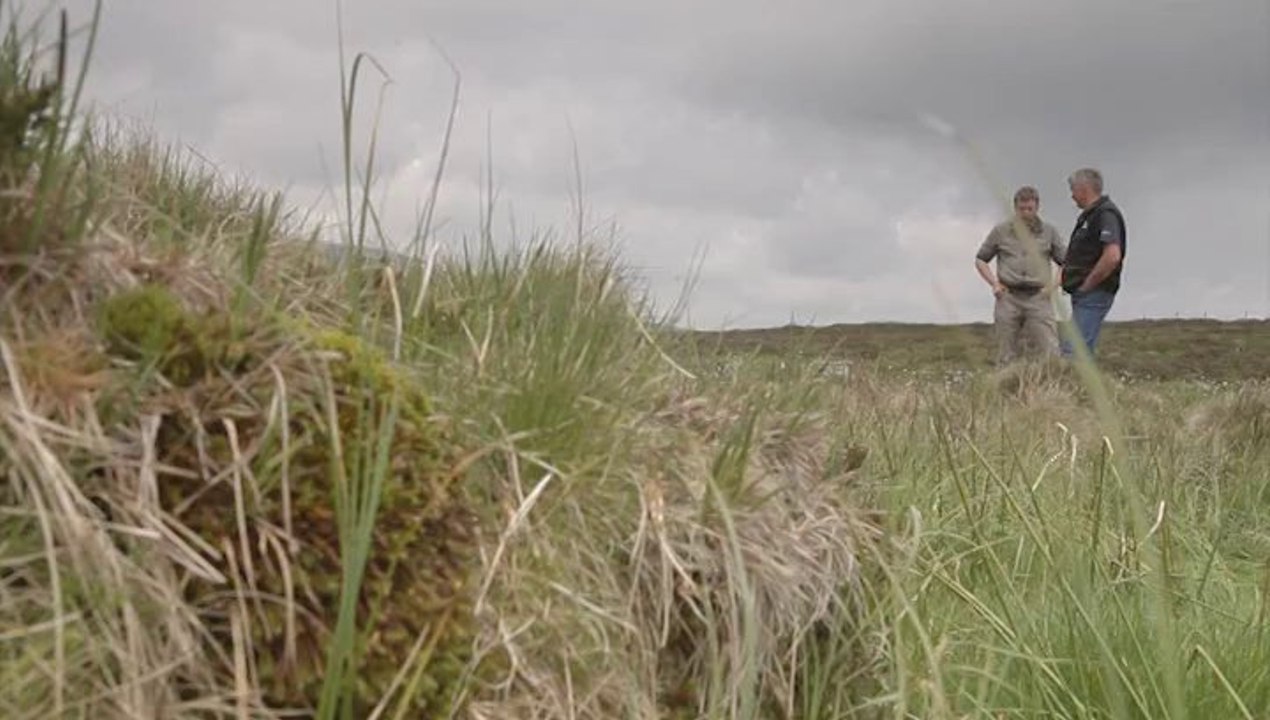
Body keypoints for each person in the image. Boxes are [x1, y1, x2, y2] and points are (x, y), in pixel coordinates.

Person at [975, 185, 1067, 366]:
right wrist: (994, 283)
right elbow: (980, 260)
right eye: (1021, 209)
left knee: (1050, 350)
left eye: (1030, 209)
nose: (1025, 213)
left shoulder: (1049, 232)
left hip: (1039, 297)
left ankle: (1053, 390)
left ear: (1037, 207)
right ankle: (1005, 388)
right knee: (1006, 352)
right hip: (1008, 296)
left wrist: (1053, 286)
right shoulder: (1000, 231)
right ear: (1015, 208)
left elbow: (1067, 263)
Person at [1060, 168, 1126, 357]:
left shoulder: (1105, 214)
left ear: (1083, 188)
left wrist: (1088, 284)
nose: (1072, 196)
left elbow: (1112, 255)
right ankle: (1083, 386)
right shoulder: (1090, 216)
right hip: (1084, 293)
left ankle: (1071, 385)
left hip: (1094, 292)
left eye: (1073, 189)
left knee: (1073, 351)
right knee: (1079, 350)